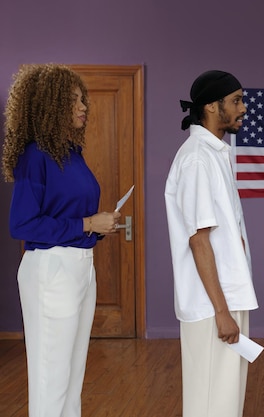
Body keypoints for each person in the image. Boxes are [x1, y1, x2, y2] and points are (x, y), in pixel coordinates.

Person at [2, 64, 121, 417]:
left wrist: (96, 227)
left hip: (81, 267)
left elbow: (69, 217)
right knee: (51, 377)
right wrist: (86, 223)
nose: (83, 106)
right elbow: (22, 224)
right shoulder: (35, 156)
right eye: (73, 100)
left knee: (72, 375)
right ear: (50, 105)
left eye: (83, 99)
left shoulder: (71, 154)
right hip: (51, 271)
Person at [164, 70, 258, 417]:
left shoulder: (215, 153)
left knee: (225, 402)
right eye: (236, 100)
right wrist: (221, 313)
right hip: (211, 307)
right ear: (210, 106)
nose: (243, 108)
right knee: (211, 405)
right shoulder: (197, 159)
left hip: (226, 299)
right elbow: (198, 240)